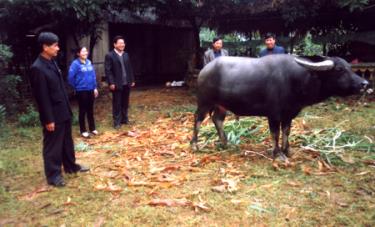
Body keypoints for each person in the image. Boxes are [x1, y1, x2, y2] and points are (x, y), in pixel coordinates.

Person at [29, 32, 89, 187]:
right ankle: (53, 175)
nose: (58, 48)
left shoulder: (51, 62)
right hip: (53, 115)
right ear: (45, 47)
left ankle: (70, 166)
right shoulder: (37, 68)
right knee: (53, 146)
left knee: (66, 142)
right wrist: (48, 119)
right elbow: (42, 97)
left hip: (63, 110)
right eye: (55, 45)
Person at [105, 36, 135, 129]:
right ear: (115, 44)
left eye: (123, 43)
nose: (122, 45)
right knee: (117, 103)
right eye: (120, 43)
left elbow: (129, 68)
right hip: (116, 83)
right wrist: (111, 83)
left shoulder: (126, 54)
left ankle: (124, 119)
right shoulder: (110, 55)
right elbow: (108, 70)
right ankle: (117, 122)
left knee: (125, 102)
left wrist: (132, 79)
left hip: (127, 82)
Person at [68, 46, 99, 138]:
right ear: (78, 53)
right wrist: (77, 86)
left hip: (91, 89)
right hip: (81, 91)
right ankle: (83, 130)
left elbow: (93, 76)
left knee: (90, 109)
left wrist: (95, 87)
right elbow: (70, 78)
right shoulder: (75, 64)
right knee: (83, 110)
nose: (85, 53)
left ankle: (92, 128)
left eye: (86, 51)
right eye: (83, 51)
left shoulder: (89, 62)